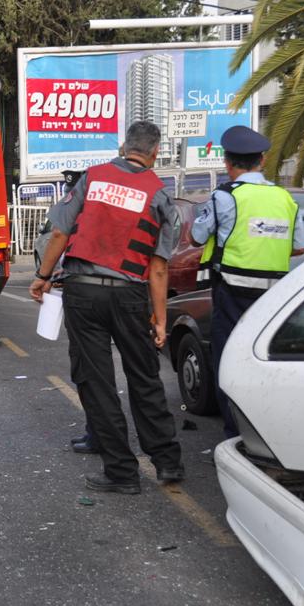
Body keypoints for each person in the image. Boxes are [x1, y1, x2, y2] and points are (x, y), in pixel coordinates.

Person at [30, 121, 184, 495]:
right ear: (155, 152)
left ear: (122, 147)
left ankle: (122, 472)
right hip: (130, 295)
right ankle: (167, 462)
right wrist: (160, 320)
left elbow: (60, 232)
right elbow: (159, 266)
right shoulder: (160, 195)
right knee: (144, 378)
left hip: (83, 293)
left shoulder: (92, 179)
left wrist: (43, 275)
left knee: (97, 383)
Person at [191, 125, 304, 438]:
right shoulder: (285, 199)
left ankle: (237, 437)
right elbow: (299, 246)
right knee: (267, 362)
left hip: (232, 291)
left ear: (228, 163)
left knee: (228, 362)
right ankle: (269, 434)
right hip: (274, 296)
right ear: (263, 160)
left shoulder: (225, 196)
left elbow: (197, 235)